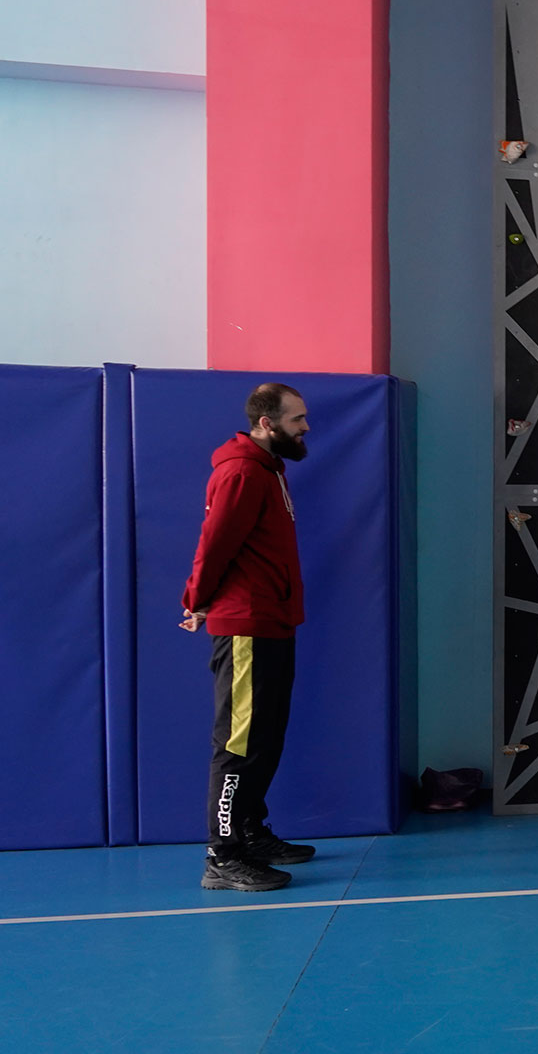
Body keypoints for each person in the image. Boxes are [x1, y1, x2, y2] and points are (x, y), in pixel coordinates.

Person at [180, 382, 316, 892]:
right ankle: (222, 854)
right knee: (238, 743)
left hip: (273, 620)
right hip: (246, 626)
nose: (305, 427)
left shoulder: (269, 470)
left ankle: (250, 832)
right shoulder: (240, 472)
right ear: (266, 423)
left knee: (265, 737)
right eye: (297, 419)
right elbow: (214, 545)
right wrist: (196, 598)